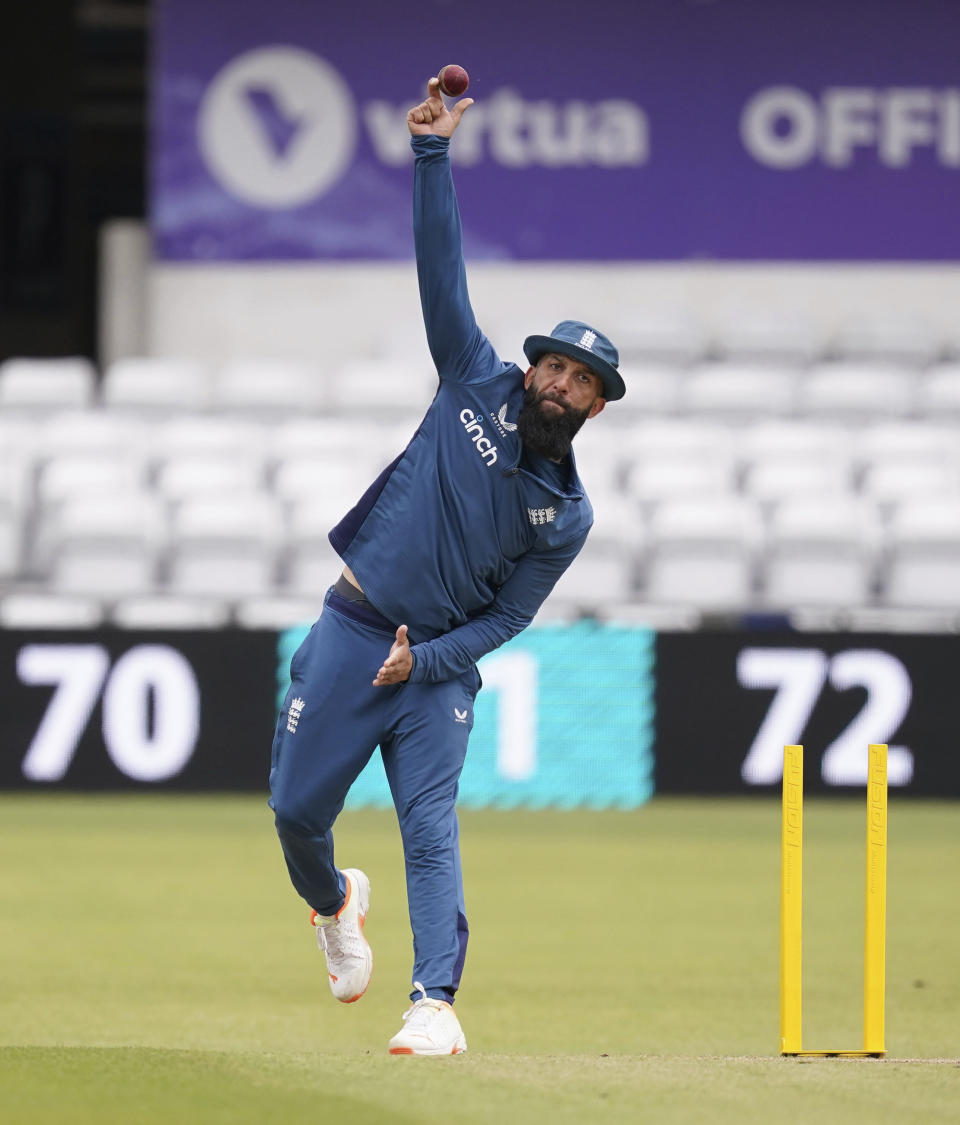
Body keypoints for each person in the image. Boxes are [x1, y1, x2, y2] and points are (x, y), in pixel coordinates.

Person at [268, 75, 626, 1057]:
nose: (560, 382)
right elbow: (441, 268)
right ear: (535, 366)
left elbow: (508, 620)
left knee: (431, 828)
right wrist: (432, 153)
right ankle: (336, 902)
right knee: (296, 813)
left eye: (581, 380)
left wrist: (423, 665)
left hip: (431, 671)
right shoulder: (473, 377)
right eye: (555, 365)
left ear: (596, 406)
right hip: (352, 625)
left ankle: (435, 1003)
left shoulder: (567, 512)